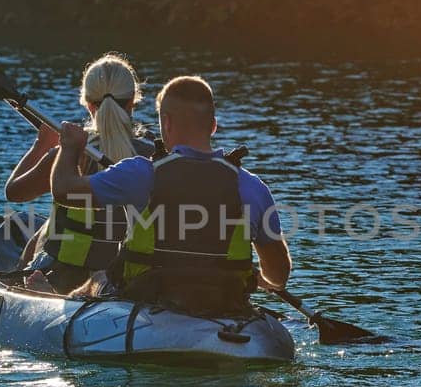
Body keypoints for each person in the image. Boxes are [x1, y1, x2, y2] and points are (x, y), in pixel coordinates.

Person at [51, 75, 291, 314]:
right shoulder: (252, 187)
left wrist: (69, 148)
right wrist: (253, 274)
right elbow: (278, 277)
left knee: (97, 280)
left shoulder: (140, 173)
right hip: (224, 303)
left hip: (146, 298)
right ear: (213, 125)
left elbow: (64, 191)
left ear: (165, 123)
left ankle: (49, 295)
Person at [4, 53, 148, 293]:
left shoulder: (70, 154)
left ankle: (25, 285)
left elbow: (14, 192)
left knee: (48, 226)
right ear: (133, 101)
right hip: (122, 277)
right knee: (45, 226)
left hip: (61, 273)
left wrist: (42, 145)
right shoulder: (152, 157)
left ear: (88, 104)